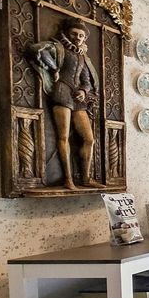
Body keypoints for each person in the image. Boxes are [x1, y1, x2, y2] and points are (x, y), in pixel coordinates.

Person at [27, 17, 99, 189]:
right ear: (67, 33)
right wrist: (54, 68)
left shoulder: (82, 56)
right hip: (62, 92)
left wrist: (84, 91)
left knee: (89, 139)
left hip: (77, 98)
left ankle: (86, 178)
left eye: (81, 36)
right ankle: (68, 179)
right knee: (63, 136)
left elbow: (86, 80)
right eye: (74, 34)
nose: (77, 38)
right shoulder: (59, 48)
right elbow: (35, 49)